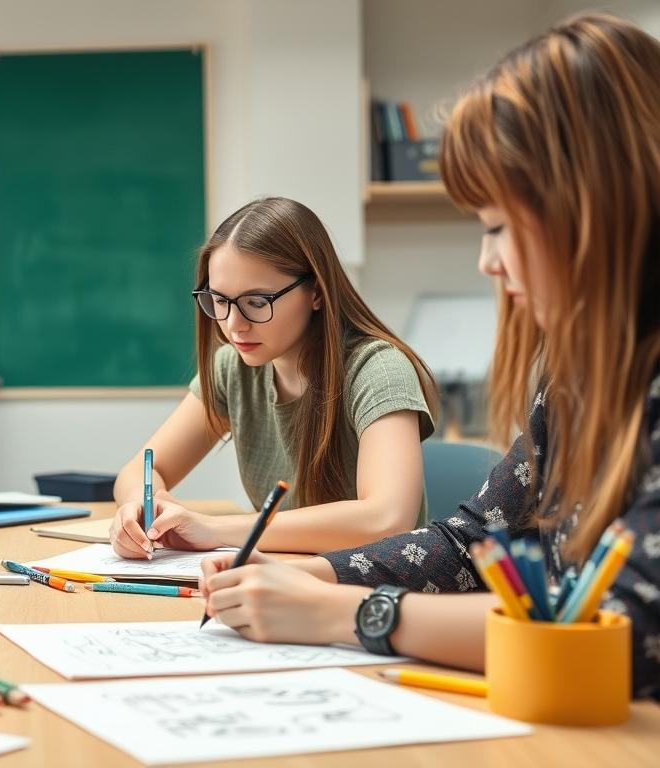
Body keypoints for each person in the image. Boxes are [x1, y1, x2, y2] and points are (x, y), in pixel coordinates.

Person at [198, 14, 660, 699]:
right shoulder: (578, 378)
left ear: (596, 207)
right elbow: (476, 541)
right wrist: (318, 576)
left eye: (499, 226)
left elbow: (626, 630)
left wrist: (352, 613)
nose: (487, 261)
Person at [111, 197, 437, 558]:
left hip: (367, 594)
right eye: (219, 300)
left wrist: (215, 528)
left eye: (257, 301)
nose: (234, 324)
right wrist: (150, 509)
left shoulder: (378, 370)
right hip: (282, 579)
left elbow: (388, 520)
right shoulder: (232, 368)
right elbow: (137, 472)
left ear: (315, 292)